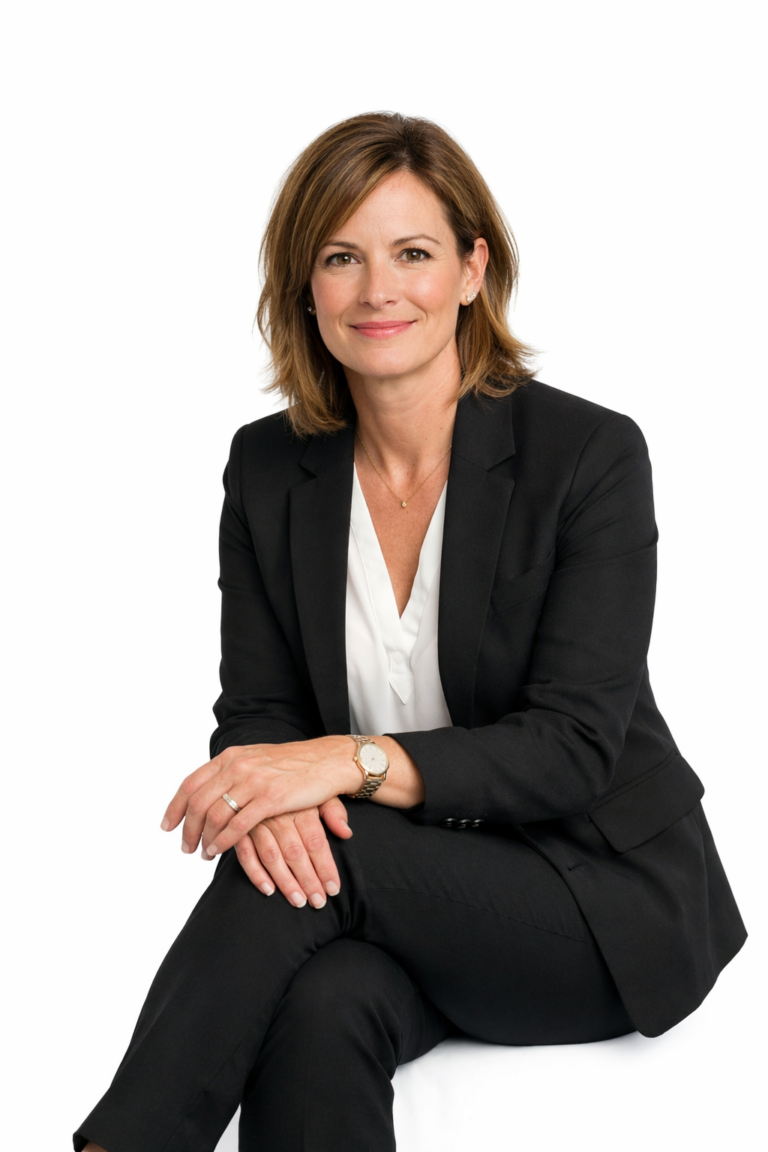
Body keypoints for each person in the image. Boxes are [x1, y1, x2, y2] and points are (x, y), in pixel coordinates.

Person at [74, 111, 747, 1152]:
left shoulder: (589, 455)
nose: (377, 289)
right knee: (319, 1006)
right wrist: (279, 804)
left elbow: (572, 748)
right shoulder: (269, 468)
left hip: (596, 900)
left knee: (315, 877)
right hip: (393, 896)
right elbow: (258, 712)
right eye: (341, 257)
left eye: (414, 254)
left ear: (473, 270)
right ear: (305, 286)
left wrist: (345, 765)